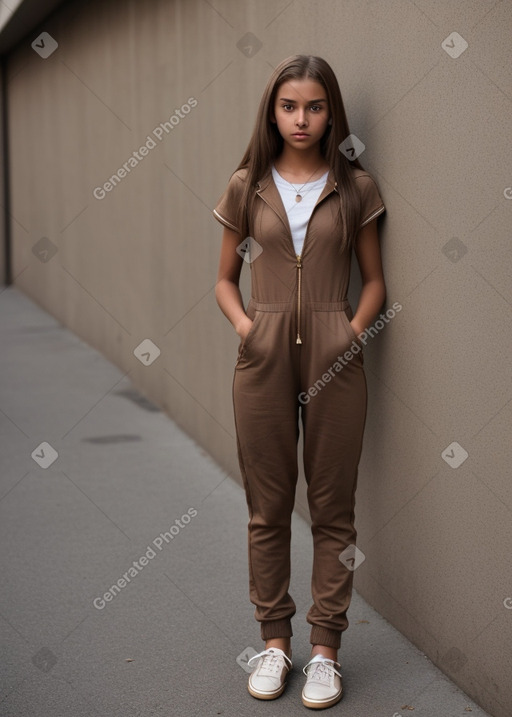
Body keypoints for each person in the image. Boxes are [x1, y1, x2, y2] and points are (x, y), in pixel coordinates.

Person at [212, 54, 386, 710]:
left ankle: (324, 652)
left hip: (336, 355)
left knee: (333, 505)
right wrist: (247, 326)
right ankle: (275, 641)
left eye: (315, 106)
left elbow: (375, 281)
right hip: (262, 356)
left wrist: (351, 329)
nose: (302, 118)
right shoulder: (246, 184)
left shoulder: (357, 187)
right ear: (272, 112)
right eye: (290, 106)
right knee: (267, 504)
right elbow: (226, 278)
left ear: (331, 111)